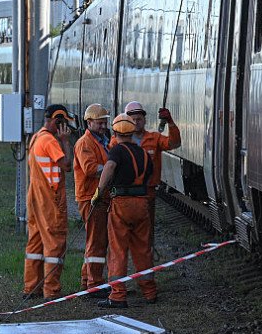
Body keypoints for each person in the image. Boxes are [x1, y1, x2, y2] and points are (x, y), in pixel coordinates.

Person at [92, 113, 156, 307]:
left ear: (116, 131)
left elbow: (109, 169)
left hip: (122, 204)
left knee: (118, 249)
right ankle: (149, 291)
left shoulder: (117, 151)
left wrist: (98, 192)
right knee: (142, 249)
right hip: (142, 203)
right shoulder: (144, 153)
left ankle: (118, 295)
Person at [115, 101, 181, 252]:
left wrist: (170, 122)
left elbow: (174, 143)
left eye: (139, 119)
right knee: (122, 235)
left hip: (147, 193)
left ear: (144, 120)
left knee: (145, 235)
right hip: (123, 196)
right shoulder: (116, 141)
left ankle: (145, 258)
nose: (137, 122)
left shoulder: (154, 138)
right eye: (133, 119)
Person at [24, 104, 75, 299]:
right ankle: (51, 290)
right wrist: (65, 142)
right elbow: (67, 165)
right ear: (57, 121)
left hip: (35, 195)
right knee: (54, 243)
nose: (65, 129)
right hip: (49, 198)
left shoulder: (37, 137)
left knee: (35, 243)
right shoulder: (51, 141)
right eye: (63, 124)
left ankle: (31, 287)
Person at [73, 103, 112, 293]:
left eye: (105, 122)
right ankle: (94, 285)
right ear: (89, 122)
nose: (104, 126)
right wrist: (111, 169)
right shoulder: (84, 143)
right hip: (91, 197)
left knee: (94, 241)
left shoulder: (102, 140)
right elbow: (89, 168)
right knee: (96, 242)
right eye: (100, 123)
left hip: (98, 196)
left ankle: (87, 281)